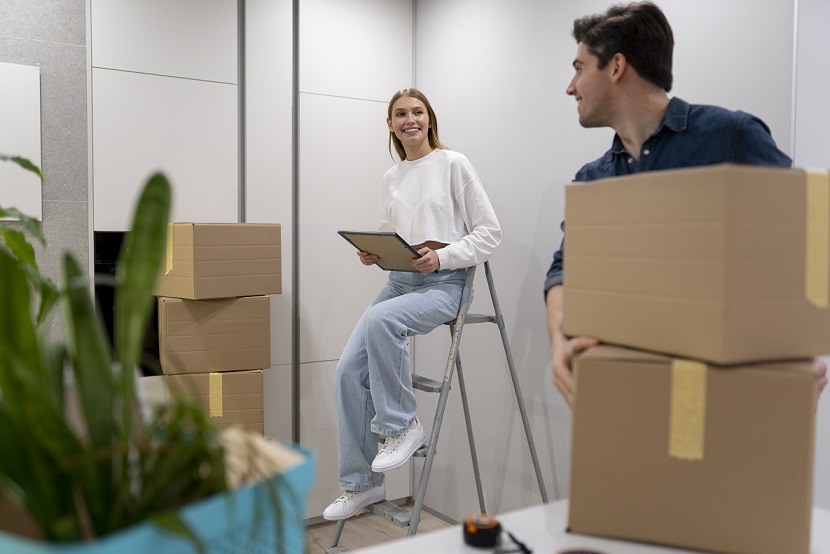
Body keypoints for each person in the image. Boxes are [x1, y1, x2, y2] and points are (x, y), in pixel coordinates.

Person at [545, 1, 828, 408]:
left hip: (731, 395)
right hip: (629, 395)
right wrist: (559, 342)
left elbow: (804, 234)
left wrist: (802, 341)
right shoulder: (594, 180)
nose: (570, 87)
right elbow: (564, 272)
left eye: (578, 67)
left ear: (616, 66)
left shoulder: (729, 138)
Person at [323, 88, 502, 521]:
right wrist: (375, 253)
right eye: (400, 114)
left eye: (417, 112)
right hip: (400, 280)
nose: (410, 120)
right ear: (390, 124)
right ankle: (361, 485)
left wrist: (442, 256)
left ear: (429, 118)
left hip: (445, 283)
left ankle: (401, 426)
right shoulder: (392, 176)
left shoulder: (453, 164)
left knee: (382, 320)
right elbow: (392, 234)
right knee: (347, 371)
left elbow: (489, 233)